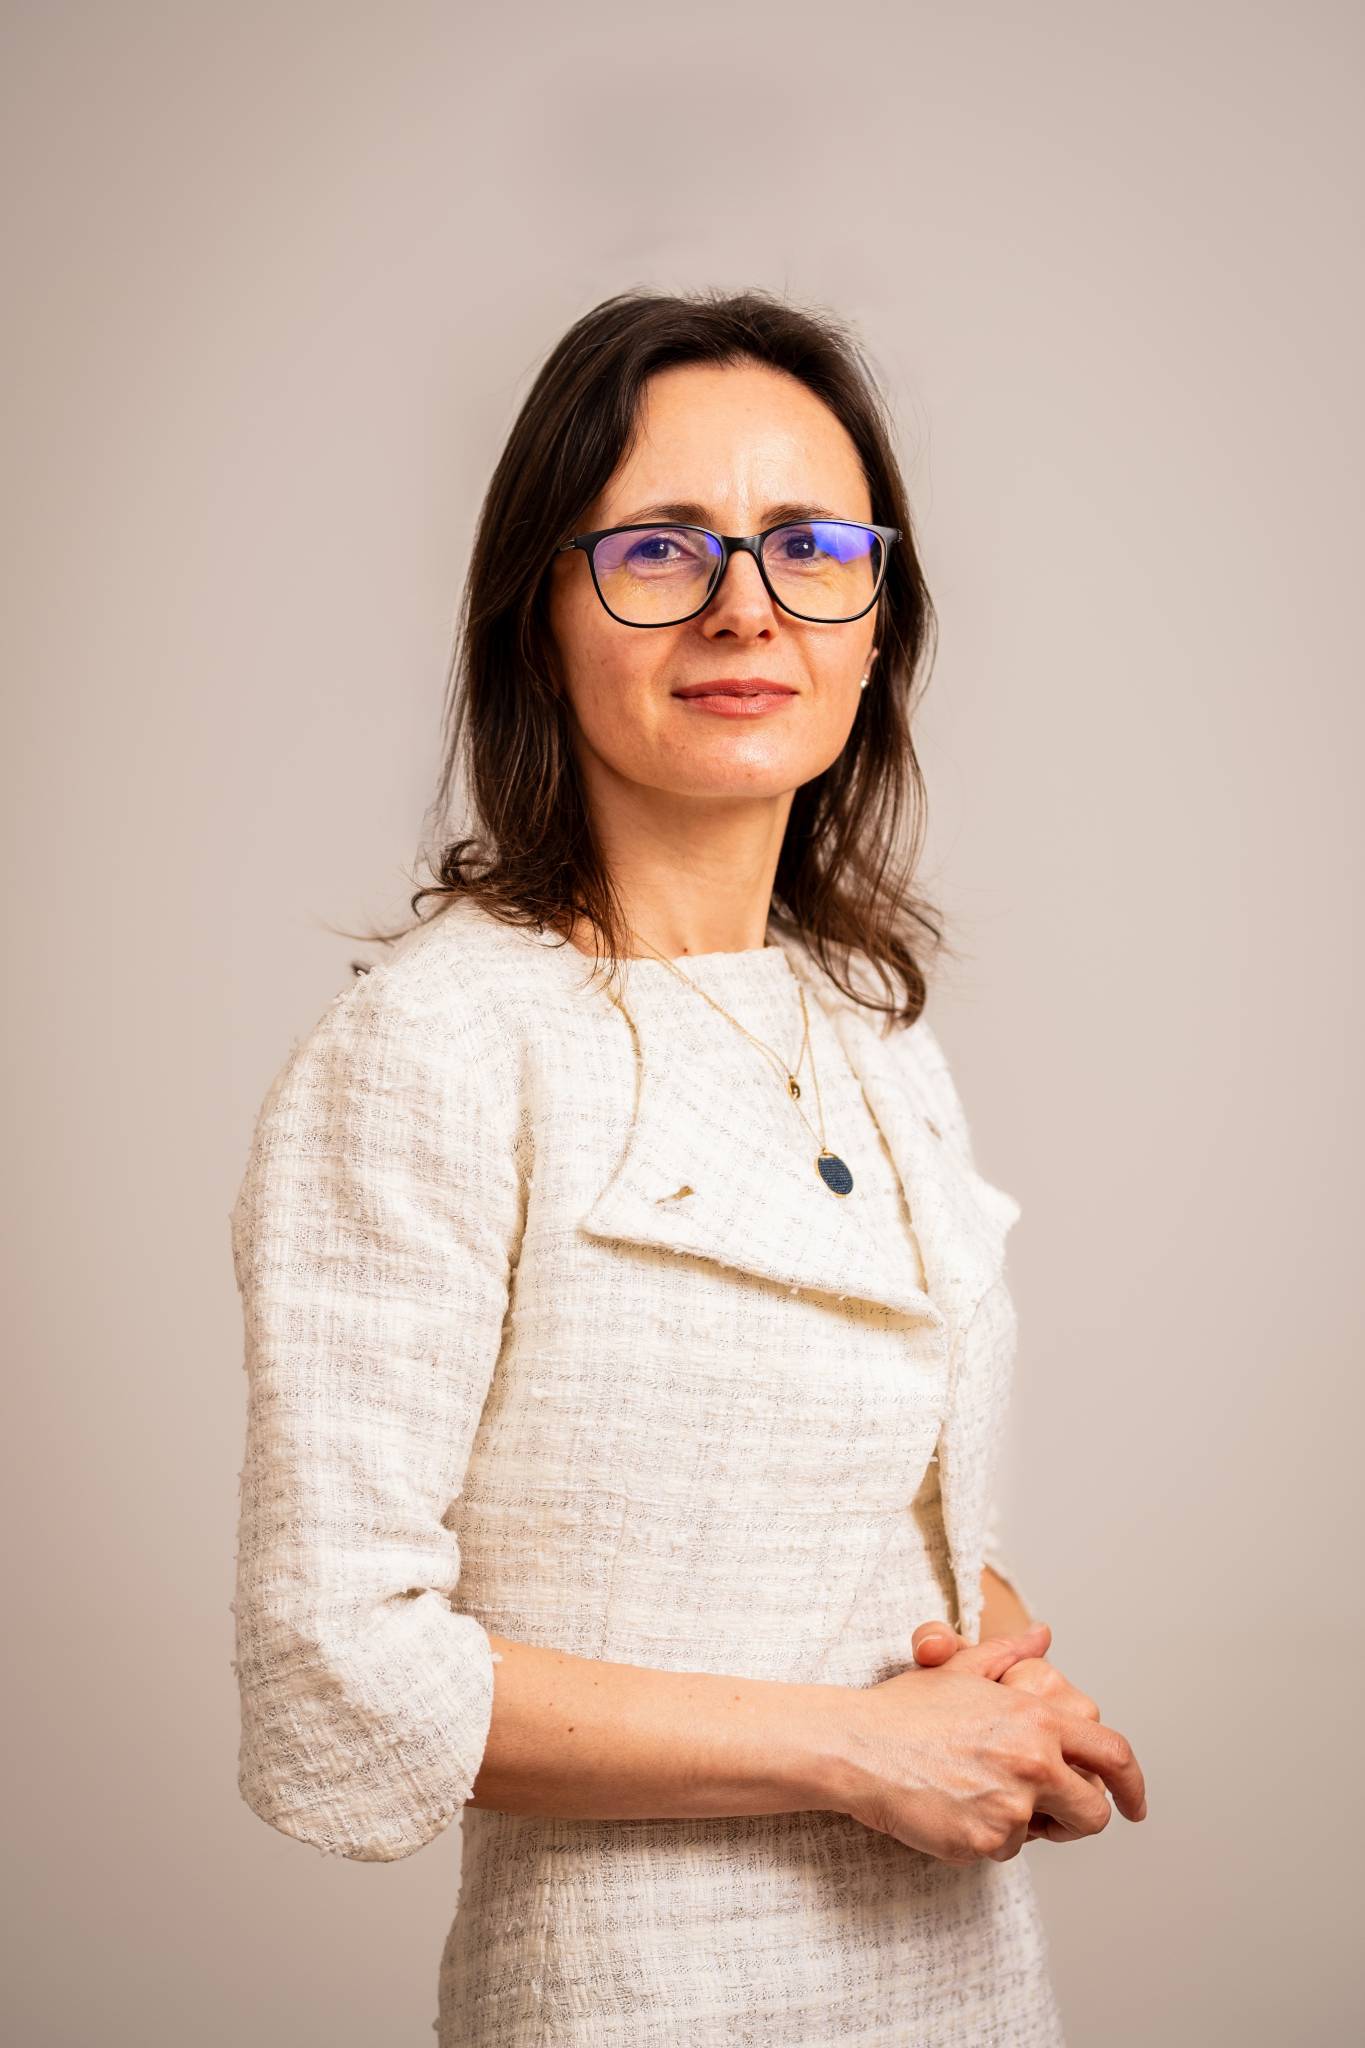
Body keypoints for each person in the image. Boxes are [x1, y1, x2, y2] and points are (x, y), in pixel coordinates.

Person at [229, 287, 1147, 2046]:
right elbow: (332, 1671)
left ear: (876, 624)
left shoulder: (865, 1028)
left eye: (810, 546)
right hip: (637, 2001)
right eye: (658, 547)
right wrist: (856, 1749)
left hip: (957, 1985)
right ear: (539, 615)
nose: (745, 606)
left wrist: (991, 1670)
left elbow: (830, 1510)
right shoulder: (440, 1046)